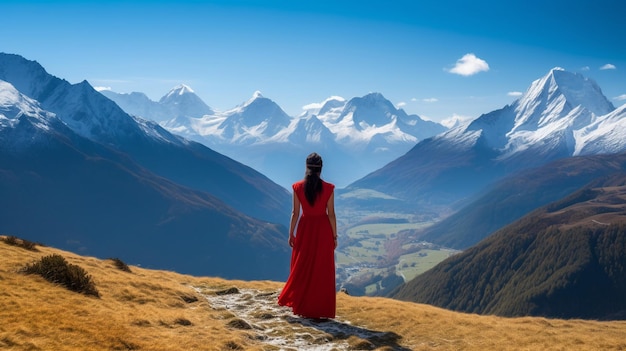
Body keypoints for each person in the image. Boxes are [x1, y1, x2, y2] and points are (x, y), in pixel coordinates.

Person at [278, 152, 337, 319]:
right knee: (321, 268)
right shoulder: (329, 188)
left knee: (302, 266)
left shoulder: (297, 187)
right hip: (323, 230)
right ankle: (320, 309)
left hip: (304, 229)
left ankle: (302, 305)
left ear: (306, 167)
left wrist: (291, 233)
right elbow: (331, 214)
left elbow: (295, 213)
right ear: (321, 168)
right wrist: (334, 236)